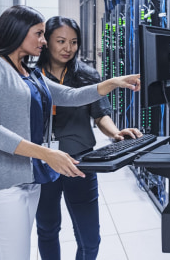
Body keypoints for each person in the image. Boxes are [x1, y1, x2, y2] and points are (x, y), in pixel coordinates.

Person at [0, 5, 140, 260]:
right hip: (1, 183)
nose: (43, 41)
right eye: (39, 34)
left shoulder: (28, 73)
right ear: (18, 31)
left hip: (30, 179)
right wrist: (47, 154)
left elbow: (71, 95)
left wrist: (112, 82)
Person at [34, 16, 142, 259]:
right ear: (46, 41)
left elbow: (100, 114)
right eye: (60, 41)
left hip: (82, 163)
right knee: (47, 230)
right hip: (44, 163)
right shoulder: (32, 76)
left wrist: (115, 132)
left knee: (90, 238)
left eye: (73, 42)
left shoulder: (87, 75)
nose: (68, 48)